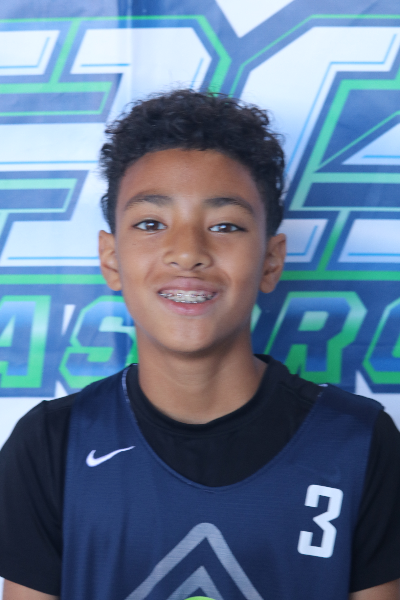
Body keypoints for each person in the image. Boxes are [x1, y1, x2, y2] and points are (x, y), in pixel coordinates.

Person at [0, 89, 400, 600]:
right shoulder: (51, 444)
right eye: (151, 223)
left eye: (225, 225)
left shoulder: (359, 443)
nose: (188, 252)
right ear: (111, 259)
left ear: (272, 260)